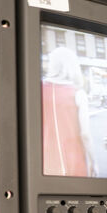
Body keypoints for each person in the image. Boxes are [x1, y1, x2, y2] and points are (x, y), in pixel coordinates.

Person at [41, 47, 94, 177]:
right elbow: (85, 134)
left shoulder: (37, 89)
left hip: (44, 163)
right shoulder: (78, 93)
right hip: (73, 162)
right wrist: (93, 162)